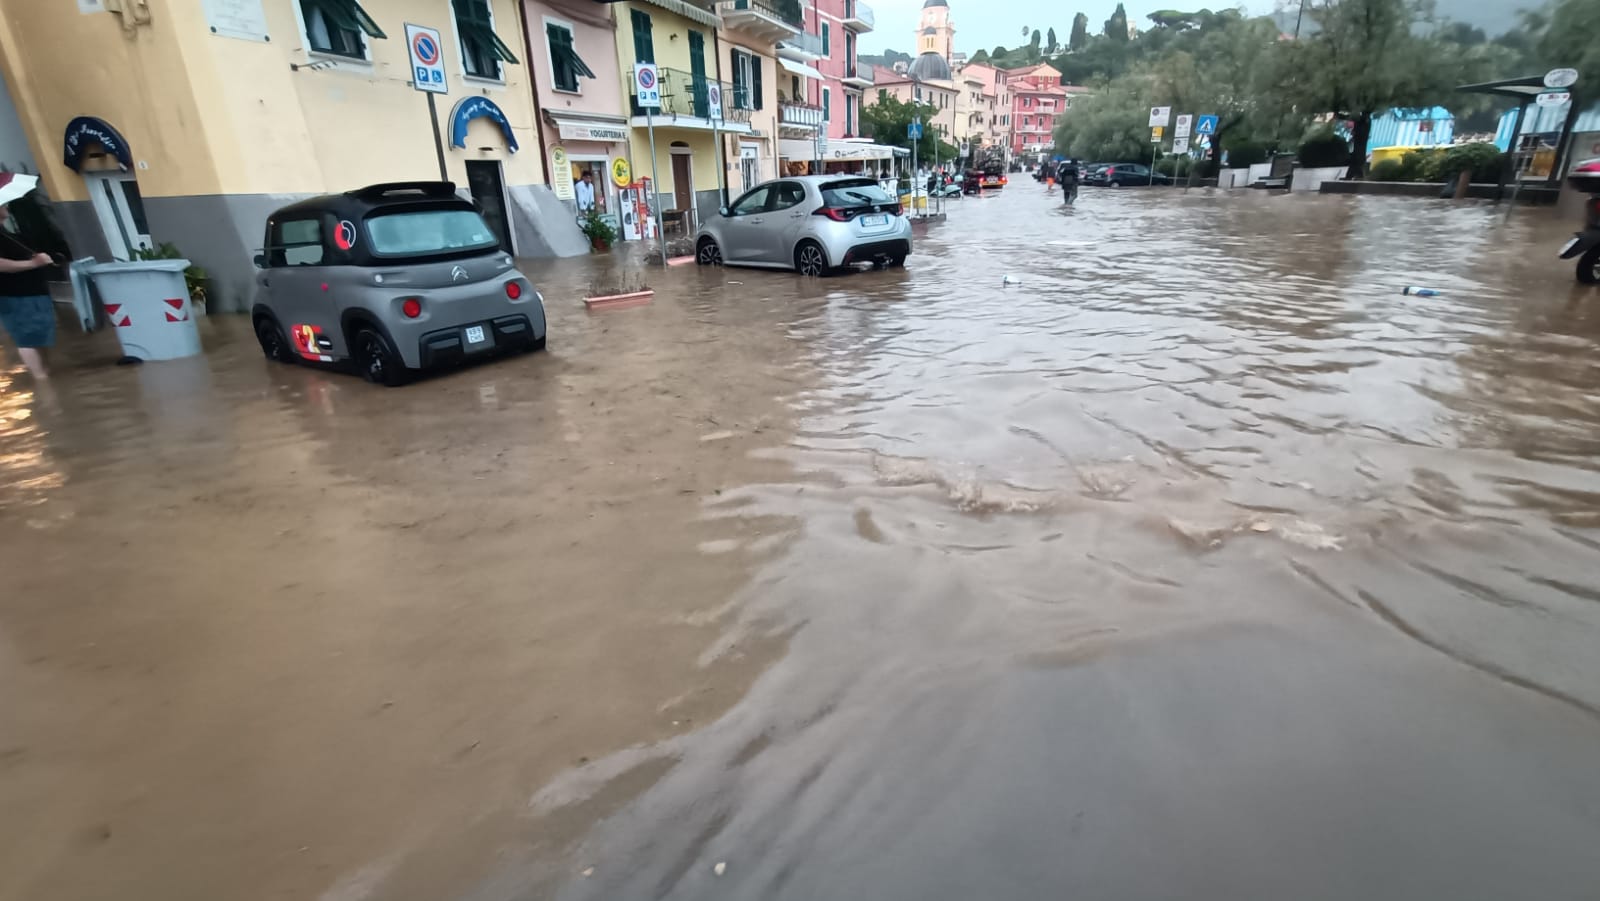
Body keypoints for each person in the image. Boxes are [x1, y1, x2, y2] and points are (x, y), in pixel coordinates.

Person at [0, 203, 56, 379]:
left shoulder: (5, 233)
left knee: (39, 335)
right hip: (16, 295)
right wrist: (34, 263)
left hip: (32, 292)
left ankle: (46, 373)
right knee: (26, 338)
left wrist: (34, 258)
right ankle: (42, 380)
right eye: (2, 204)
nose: (6, 205)